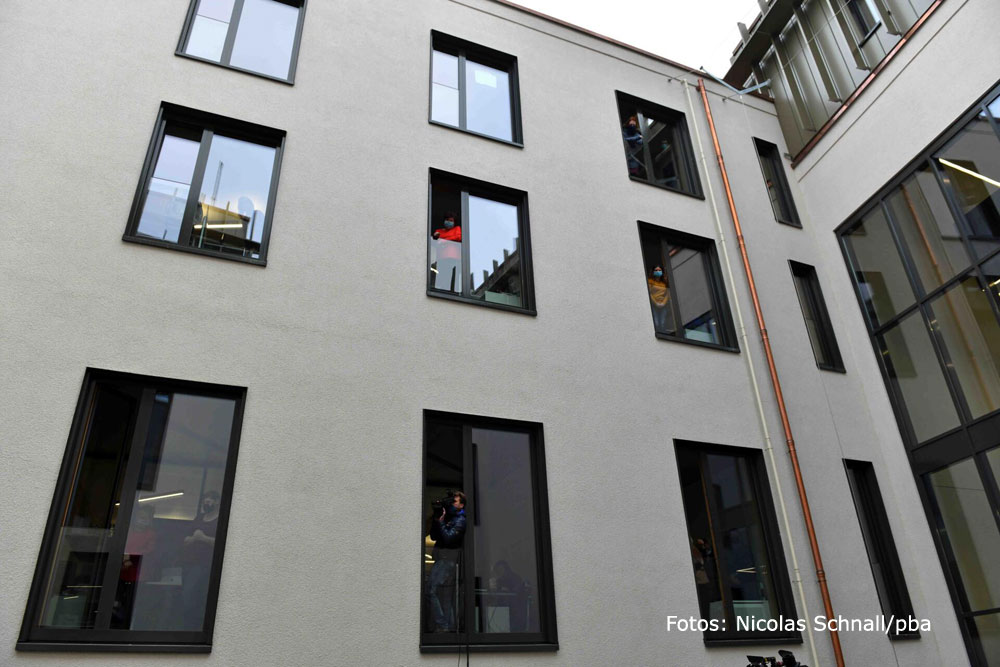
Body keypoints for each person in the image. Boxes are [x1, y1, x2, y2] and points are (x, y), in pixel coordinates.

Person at [426, 491, 466, 633]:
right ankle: (449, 628)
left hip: (447, 561)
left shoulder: (460, 520)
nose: (451, 504)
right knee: (445, 598)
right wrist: (437, 519)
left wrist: (442, 522)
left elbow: (448, 539)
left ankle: (443, 625)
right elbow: (433, 536)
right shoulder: (449, 517)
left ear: (461, 505)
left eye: (454, 501)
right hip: (444, 560)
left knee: (430, 591)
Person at [180, 490, 220, 630]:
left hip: (205, 565)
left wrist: (203, 538)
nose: (207, 502)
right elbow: (186, 539)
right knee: (187, 595)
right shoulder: (199, 518)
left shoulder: (219, 521)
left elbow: (221, 543)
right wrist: (193, 538)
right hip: (189, 563)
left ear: (217, 502)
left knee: (192, 594)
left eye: (210, 500)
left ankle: (195, 627)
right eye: (205, 500)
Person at [431, 212, 462, 292]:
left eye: (451, 220)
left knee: (452, 280)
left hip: (453, 258)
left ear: (454, 222)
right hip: (440, 259)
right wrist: (435, 237)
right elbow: (434, 242)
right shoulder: (439, 231)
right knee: (442, 279)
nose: (449, 222)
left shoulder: (457, 229)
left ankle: (452, 293)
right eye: (447, 220)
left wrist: (444, 241)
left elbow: (458, 237)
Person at [647, 265, 671, 332]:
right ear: (653, 272)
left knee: (663, 323)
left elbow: (667, 294)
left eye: (659, 270)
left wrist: (663, 303)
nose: (658, 271)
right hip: (654, 305)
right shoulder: (650, 281)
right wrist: (656, 303)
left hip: (663, 305)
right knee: (656, 323)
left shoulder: (664, 283)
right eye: (656, 270)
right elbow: (649, 293)